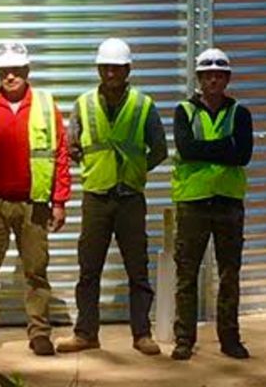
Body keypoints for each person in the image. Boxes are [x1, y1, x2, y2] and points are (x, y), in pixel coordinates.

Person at [0, 40, 71, 362]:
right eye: (4, 71)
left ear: (27, 71)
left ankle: (40, 334)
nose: (10, 77)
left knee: (36, 271)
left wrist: (59, 200)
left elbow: (61, 153)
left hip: (34, 203)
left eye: (16, 71)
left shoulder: (46, 105)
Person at [58, 37, 167, 356]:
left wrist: (135, 169)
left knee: (138, 269)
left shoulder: (143, 105)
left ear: (127, 69)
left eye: (116, 68)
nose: (110, 73)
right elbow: (73, 146)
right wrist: (97, 166)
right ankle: (85, 333)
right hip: (96, 196)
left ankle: (141, 334)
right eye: (105, 67)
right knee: (89, 268)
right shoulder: (83, 103)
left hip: (131, 197)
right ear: (98, 69)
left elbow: (159, 148)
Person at [170, 46, 253, 362]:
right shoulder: (184, 111)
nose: (214, 80)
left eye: (219, 75)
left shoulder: (240, 113)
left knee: (230, 273)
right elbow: (186, 149)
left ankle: (230, 339)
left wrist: (205, 148)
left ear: (227, 78)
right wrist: (224, 147)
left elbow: (243, 154)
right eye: (208, 75)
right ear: (199, 78)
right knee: (187, 274)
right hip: (192, 203)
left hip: (229, 203)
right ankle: (184, 340)